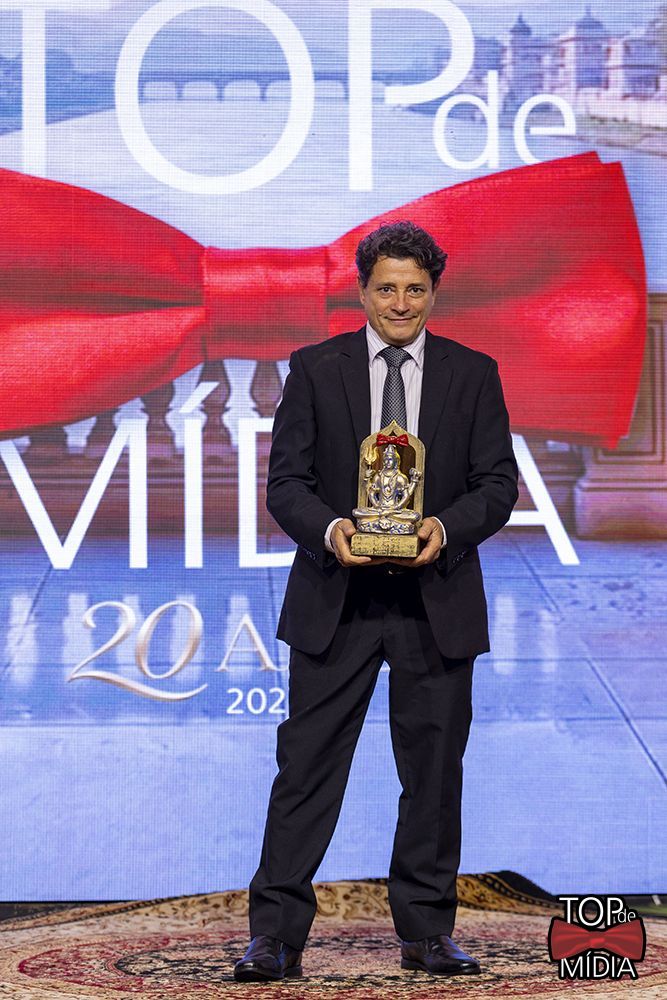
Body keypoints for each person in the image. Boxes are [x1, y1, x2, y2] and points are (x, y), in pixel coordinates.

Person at [233, 221, 519, 982]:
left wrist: (442, 528)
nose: (400, 303)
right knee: (306, 769)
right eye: (386, 288)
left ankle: (427, 933)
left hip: (435, 599)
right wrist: (332, 531)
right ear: (361, 291)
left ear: (434, 292)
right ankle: (275, 936)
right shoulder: (314, 368)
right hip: (338, 599)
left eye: (415, 289)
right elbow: (285, 484)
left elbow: (497, 485)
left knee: (433, 774)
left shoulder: (472, 373)